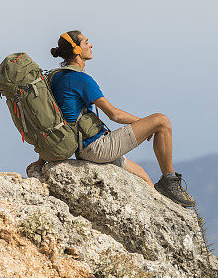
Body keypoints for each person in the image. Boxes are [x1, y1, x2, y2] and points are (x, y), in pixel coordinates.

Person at [27, 30, 195, 208]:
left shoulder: (55, 77)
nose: (90, 45)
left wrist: (41, 160)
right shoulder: (81, 79)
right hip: (98, 147)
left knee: (144, 176)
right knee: (161, 121)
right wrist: (146, 125)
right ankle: (170, 181)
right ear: (76, 50)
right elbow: (114, 114)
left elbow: (53, 119)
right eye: (86, 42)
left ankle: (164, 207)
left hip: (82, 147)